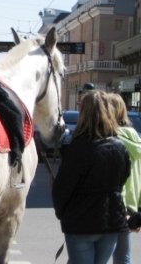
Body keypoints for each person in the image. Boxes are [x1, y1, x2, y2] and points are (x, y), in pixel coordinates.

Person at [52, 90, 131, 264]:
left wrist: (63, 214)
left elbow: (62, 189)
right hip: (110, 221)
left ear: (83, 115)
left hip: (80, 223)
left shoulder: (77, 148)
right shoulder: (119, 146)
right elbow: (123, 178)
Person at [108, 93, 141, 264]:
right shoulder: (134, 136)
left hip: (112, 203)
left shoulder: (109, 136)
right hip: (131, 205)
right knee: (123, 257)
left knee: (101, 254)